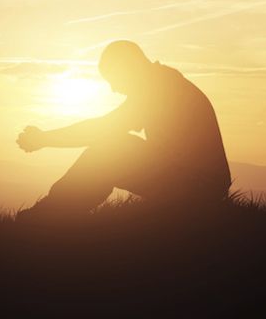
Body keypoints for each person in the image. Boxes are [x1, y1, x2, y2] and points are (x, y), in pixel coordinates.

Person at [16, 40, 231, 218]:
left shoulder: (160, 88)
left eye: (114, 79)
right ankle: (57, 212)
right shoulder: (162, 82)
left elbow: (102, 129)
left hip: (200, 187)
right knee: (113, 146)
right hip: (201, 184)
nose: (114, 89)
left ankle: (51, 215)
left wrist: (44, 139)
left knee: (110, 149)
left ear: (129, 68)